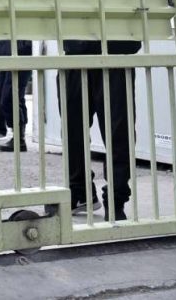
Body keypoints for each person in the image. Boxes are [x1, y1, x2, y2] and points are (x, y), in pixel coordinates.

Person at [59, 39, 139, 221]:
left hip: (114, 53)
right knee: (72, 132)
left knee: (118, 134)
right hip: (76, 55)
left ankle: (115, 200)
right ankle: (80, 191)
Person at [0, 40, 33, 152]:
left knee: (10, 98)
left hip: (20, 51)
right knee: (14, 97)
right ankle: (19, 137)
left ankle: (19, 138)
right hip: (5, 52)